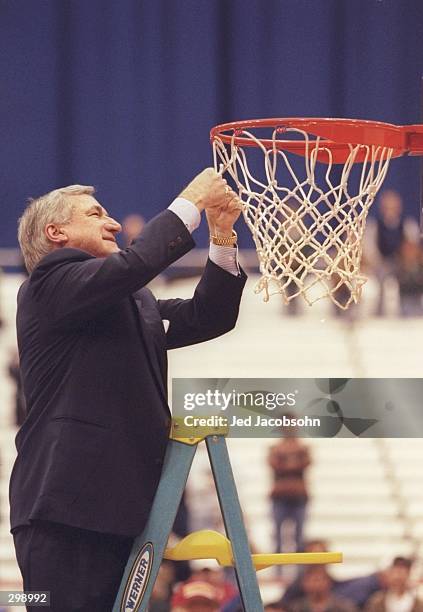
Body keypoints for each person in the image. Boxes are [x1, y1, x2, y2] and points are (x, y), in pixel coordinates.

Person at [9, 168, 246, 611]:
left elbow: (207, 316)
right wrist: (191, 201)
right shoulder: (47, 285)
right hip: (65, 510)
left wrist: (223, 236)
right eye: (96, 214)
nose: (114, 223)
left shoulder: (133, 302)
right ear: (55, 232)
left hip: (125, 509)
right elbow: (134, 265)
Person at [268, 419, 311, 555]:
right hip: (282, 496)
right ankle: (279, 570)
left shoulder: (301, 448)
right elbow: (275, 465)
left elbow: (306, 463)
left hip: (297, 495)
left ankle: (299, 571)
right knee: (278, 536)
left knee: (299, 535)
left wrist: (285, 461)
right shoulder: (300, 449)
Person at [288, 565, 358, 612]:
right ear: (304, 583)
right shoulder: (296, 608)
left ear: (329, 582)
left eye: (318, 580)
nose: (316, 584)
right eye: (311, 580)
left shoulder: (344, 607)